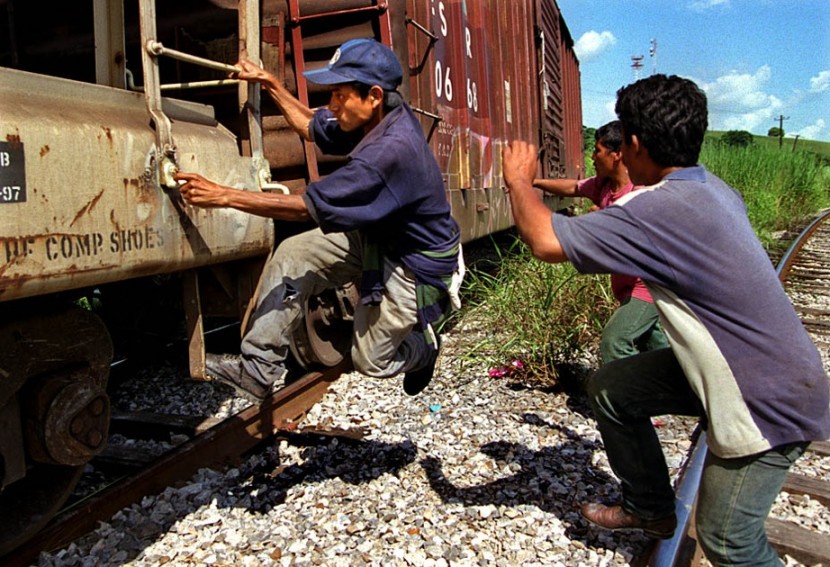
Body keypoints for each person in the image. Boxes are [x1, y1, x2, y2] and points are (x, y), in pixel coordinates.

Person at [501, 74, 830, 565]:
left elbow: (547, 241)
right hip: (754, 368)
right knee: (614, 388)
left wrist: (517, 181)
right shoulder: (711, 188)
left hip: (765, 396)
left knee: (728, 540)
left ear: (633, 144)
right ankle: (651, 509)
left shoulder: (655, 208)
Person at [174, 39, 462, 401]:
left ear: (373, 95)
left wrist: (224, 196)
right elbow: (312, 126)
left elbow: (305, 207)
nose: (332, 105)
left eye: (340, 95)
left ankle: (424, 351)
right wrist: (269, 83)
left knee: (370, 361)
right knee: (295, 253)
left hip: (412, 261)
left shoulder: (390, 152)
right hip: (376, 235)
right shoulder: (378, 112)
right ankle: (257, 369)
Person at [533, 120, 668, 365]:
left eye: (597, 150)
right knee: (653, 343)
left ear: (617, 154)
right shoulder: (603, 186)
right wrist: (532, 182)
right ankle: (684, 392)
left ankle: (630, 399)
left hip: (647, 285)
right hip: (626, 286)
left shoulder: (638, 193)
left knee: (615, 341)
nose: (592, 156)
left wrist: (599, 221)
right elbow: (573, 187)